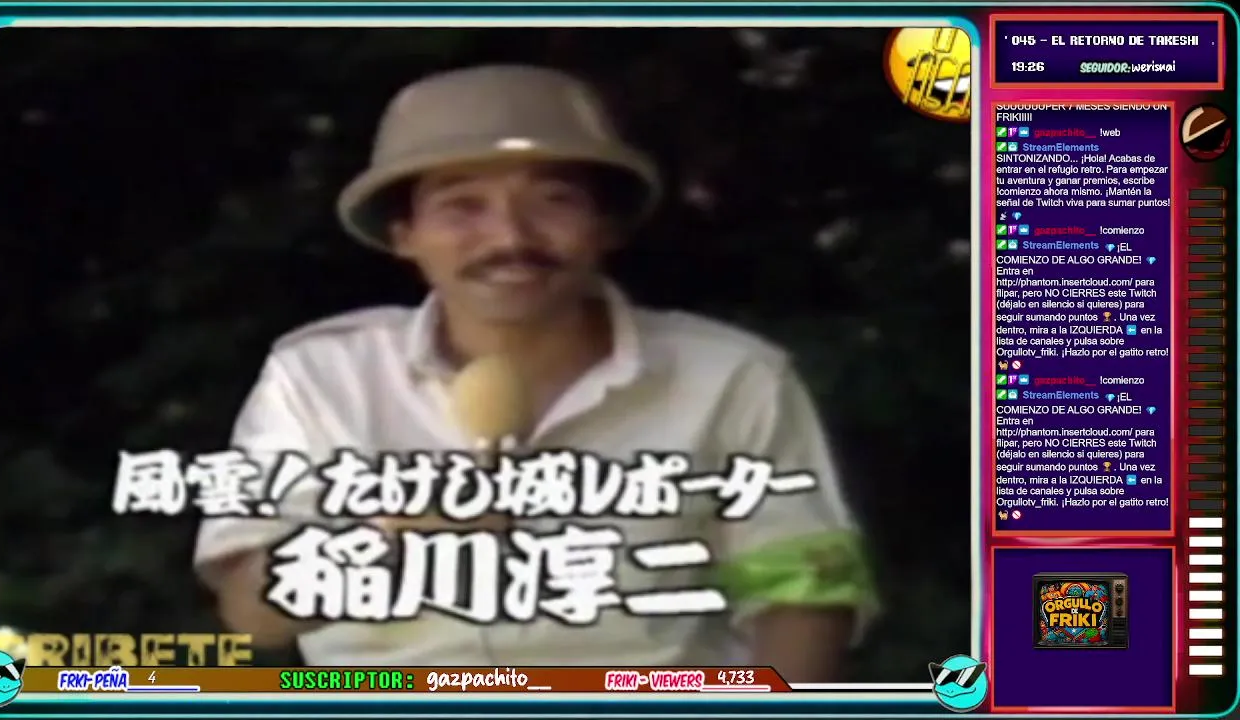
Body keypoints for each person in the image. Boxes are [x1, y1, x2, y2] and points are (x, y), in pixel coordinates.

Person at [193, 64, 877, 679]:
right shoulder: (320, 376)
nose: (510, 238)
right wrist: (392, 538)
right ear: (405, 236)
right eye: (462, 206)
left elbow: (803, 593)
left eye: (554, 200)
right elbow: (254, 616)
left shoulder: (730, 377)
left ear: (607, 227)